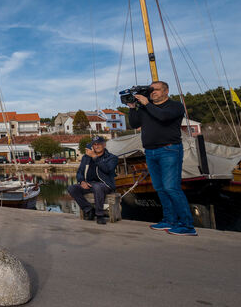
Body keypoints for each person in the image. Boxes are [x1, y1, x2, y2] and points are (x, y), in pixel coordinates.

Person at [128, 80, 196, 236]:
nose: (153, 92)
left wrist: (146, 104)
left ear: (166, 91)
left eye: (156, 90)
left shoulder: (175, 106)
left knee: (172, 187)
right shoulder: (146, 108)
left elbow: (163, 117)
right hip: (150, 151)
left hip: (169, 149)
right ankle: (169, 220)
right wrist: (133, 108)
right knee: (160, 187)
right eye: (151, 90)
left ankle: (187, 226)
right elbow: (134, 123)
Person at [67, 136, 118, 225]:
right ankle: (89, 209)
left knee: (97, 187)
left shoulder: (112, 158)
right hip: (90, 184)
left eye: (99, 144)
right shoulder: (86, 158)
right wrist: (82, 181)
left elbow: (107, 170)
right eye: (94, 144)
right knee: (72, 188)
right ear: (92, 146)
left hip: (105, 184)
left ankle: (99, 215)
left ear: (104, 145)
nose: (97, 146)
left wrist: (95, 157)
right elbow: (80, 172)